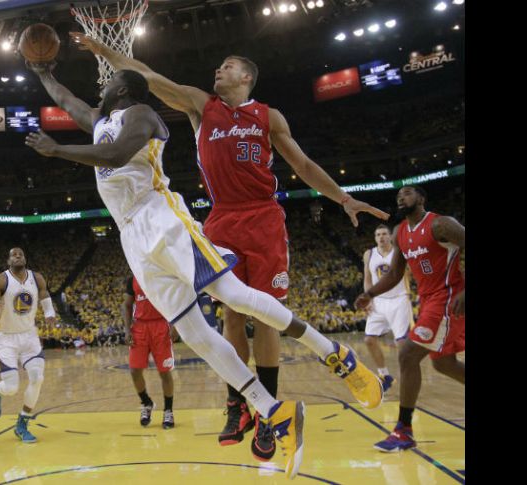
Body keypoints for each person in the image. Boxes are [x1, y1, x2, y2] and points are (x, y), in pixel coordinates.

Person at [24, 62, 383, 478]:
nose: (100, 87)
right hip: (131, 236)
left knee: (233, 296)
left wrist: (56, 150)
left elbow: (115, 155)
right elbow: (67, 100)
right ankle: (274, 411)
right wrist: (43, 72)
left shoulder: (142, 114)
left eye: (109, 83)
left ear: (122, 90)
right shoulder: (100, 121)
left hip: (163, 219)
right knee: (195, 334)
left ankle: (335, 353)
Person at [355, 186, 465, 452]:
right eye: (398, 196)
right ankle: (404, 431)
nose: (401, 197)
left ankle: (403, 430)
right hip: (428, 301)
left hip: (448, 299)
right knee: (444, 364)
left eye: (407, 193)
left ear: (421, 198)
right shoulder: (400, 232)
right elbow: (394, 274)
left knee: (407, 354)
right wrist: (369, 294)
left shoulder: (441, 224)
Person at [0, 247, 56, 443]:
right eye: (13, 255)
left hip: (29, 335)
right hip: (6, 338)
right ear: (8, 261)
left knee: (37, 378)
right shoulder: (1, 280)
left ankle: (22, 423)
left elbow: (44, 294)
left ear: (25, 258)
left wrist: (49, 313)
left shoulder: (37, 278)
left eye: (20, 254)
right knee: (11, 387)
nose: (17, 256)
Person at [362, 224, 414, 390]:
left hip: (399, 299)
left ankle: (407, 376)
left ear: (390, 236)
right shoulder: (369, 254)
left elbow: (410, 273)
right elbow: (367, 278)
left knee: (402, 343)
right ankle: (385, 376)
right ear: (375, 238)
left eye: (384, 234)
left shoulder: (400, 252)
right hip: (378, 300)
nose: (381, 237)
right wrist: (368, 298)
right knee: (369, 340)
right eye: (378, 235)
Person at [122, 275, 175, 429]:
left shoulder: (162, 274)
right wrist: (127, 330)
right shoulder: (132, 279)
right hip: (139, 327)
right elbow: (126, 305)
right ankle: (146, 403)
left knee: (164, 372)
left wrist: (175, 325)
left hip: (161, 325)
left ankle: (168, 410)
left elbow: (173, 301)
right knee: (134, 371)